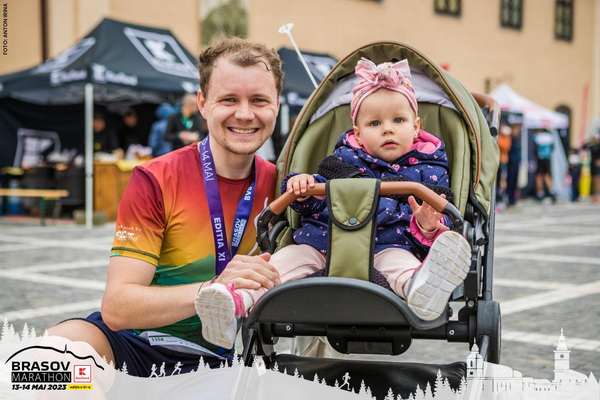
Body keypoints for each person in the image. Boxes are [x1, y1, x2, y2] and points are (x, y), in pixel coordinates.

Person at [46, 37, 284, 377]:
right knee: (56, 355)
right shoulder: (155, 178)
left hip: (229, 358)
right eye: (229, 99)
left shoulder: (285, 186)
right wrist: (213, 289)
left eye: (259, 100)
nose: (244, 114)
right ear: (203, 103)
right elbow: (118, 307)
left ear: (277, 105)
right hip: (139, 347)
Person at [196, 58, 471, 349]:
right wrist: (303, 188)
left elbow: (440, 216)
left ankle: (422, 289)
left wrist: (428, 226)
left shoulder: (428, 172)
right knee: (280, 264)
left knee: (402, 265)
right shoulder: (341, 163)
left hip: (390, 244)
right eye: (375, 123)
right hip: (323, 242)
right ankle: (234, 303)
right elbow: (314, 199)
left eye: (398, 121)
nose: (387, 129)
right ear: (357, 133)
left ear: (416, 128)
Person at [532, 128, 556, 203]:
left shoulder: (536, 136)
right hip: (547, 158)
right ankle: (551, 192)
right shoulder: (550, 136)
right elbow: (553, 147)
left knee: (539, 176)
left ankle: (540, 193)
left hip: (540, 158)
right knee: (547, 175)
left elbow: (534, 147)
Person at [505, 114, 523, 208]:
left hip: (516, 163)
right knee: (510, 181)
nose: (517, 131)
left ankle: (512, 199)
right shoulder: (509, 138)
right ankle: (509, 198)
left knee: (515, 182)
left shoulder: (517, 139)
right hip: (510, 163)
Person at [496, 123, 512, 207]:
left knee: (502, 178)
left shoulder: (506, 136)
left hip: (502, 160)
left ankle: (501, 194)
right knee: (497, 179)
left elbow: (506, 147)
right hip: (497, 160)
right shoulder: (499, 136)